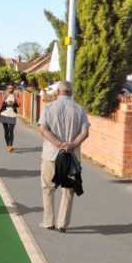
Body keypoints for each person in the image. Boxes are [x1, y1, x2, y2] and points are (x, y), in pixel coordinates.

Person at [38, 81, 90, 233]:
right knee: (68, 189)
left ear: (58, 92)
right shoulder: (80, 110)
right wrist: (71, 145)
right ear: (71, 92)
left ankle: (48, 221)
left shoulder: (48, 107)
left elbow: (43, 129)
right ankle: (63, 224)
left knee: (48, 188)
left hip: (51, 155)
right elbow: (85, 132)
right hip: (71, 157)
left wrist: (59, 143)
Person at [0, 84, 19, 152]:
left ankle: (10, 145)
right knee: (6, 131)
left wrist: (14, 103)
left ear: (13, 88)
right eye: (9, 88)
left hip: (12, 114)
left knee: (11, 131)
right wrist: (7, 103)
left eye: (11, 88)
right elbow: (0, 104)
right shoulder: (4, 95)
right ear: (7, 88)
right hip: (4, 114)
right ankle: (7, 145)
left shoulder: (16, 95)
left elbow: (19, 104)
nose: (10, 89)